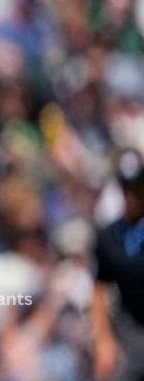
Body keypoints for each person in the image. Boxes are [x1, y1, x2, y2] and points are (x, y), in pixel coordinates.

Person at [92, 148, 144, 381]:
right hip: (130, 328)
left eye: (136, 189)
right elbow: (99, 288)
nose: (131, 196)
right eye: (126, 190)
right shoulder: (110, 237)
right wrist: (104, 340)